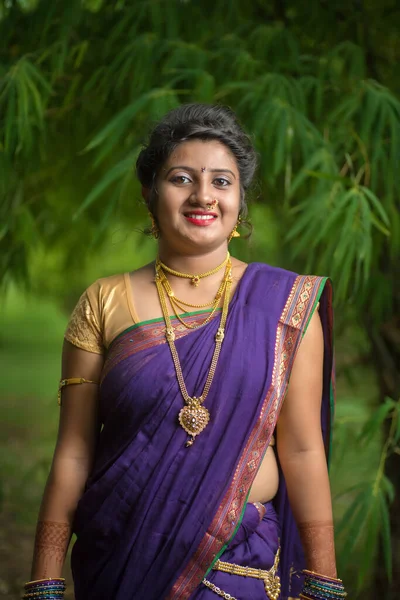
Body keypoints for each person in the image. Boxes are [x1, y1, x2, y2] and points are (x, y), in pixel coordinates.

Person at [24, 104, 345, 600]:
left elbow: (303, 450)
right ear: (150, 196)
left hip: (240, 568)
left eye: (221, 181)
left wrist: (323, 581)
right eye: (181, 178)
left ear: (240, 201)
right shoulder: (104, 302)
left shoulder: (284, 307)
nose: (203, 196)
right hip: (123, 560)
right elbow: (74, 451)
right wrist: (45, 580)